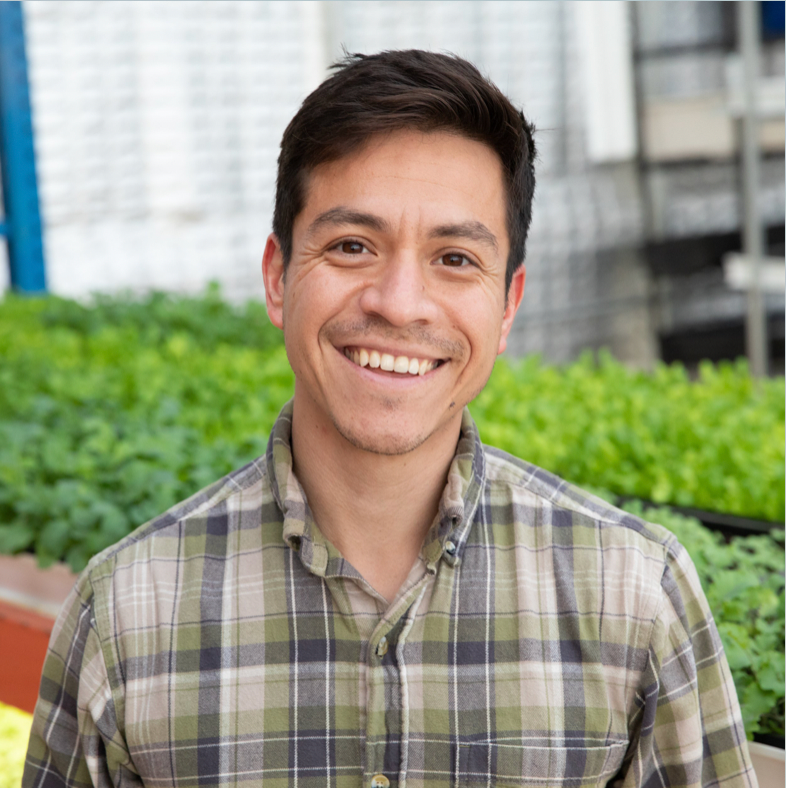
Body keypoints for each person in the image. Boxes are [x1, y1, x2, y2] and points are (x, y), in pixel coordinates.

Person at [24, 50, 756, 788]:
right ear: (279, 278)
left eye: (456, 257)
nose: (399, 301)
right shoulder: (124, 615)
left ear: (507, 304)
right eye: (351, 246)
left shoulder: (633, 598)